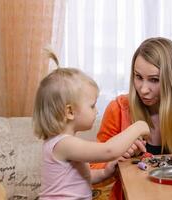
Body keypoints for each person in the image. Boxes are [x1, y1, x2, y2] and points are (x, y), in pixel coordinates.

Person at [91, 37, 172, 200]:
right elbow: (94, 170)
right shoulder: (118, 109)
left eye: (154, 80)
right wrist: (116, 160)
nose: (143, 89)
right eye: (138, 77)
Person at [33, 50, 150, 199]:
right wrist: (138, 126)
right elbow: (109, 151)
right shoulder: (64, 144)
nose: (96, 111)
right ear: (70, 111)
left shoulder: (64, 143)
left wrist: (104, 173)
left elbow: (80, 180)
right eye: (92, 105)